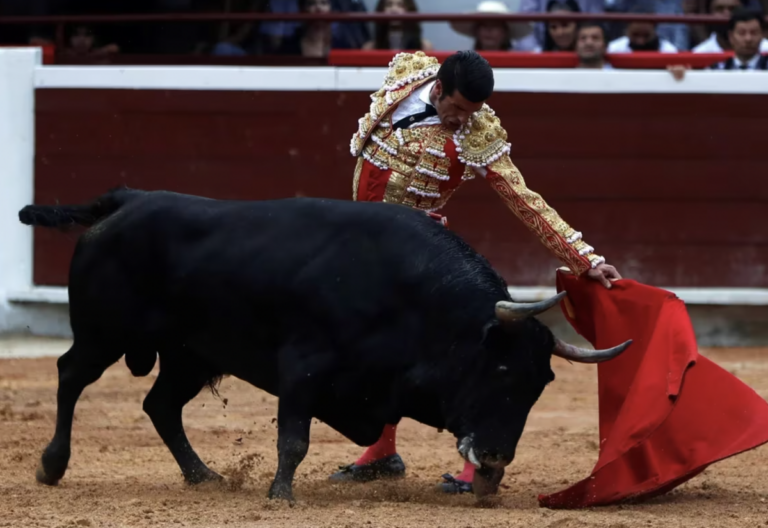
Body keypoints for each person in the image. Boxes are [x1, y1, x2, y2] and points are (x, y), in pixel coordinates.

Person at [333, 50, 622, 494]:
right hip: (365, 253)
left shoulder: (478, 132)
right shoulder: (407, 74)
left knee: (466, 359)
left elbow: (523, 198)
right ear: (438, 88)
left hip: (419, 258)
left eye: (472, 112)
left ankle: (477, 466)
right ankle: (381, 451)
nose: (462, 120)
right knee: (378, 351)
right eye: (457, 109)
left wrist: (584, 258)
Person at [450, 0, 534, 51]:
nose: (488, 30)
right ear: (476, 31)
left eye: (495, 25)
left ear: (505, 32)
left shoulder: (519, 64)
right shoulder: (464, 64)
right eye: (484, 25)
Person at [692, 0, 768, 52]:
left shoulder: (766, 49)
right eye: (720, 9)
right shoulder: (699, 53)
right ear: (710, 12)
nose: (726, 14)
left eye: (732, 9)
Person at [362, 0, 432, 51]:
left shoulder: (424, 47)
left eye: (400, 5)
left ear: (409, 9)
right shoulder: (370, 48)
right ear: (381, 9)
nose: (394, 10)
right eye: (389, 5)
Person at [607, 5, 679, 52]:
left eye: (646, 36)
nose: (640, 41)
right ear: (627, 30)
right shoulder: (614, 49)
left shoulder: (669, 51)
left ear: (654, 30)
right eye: (635, 35)